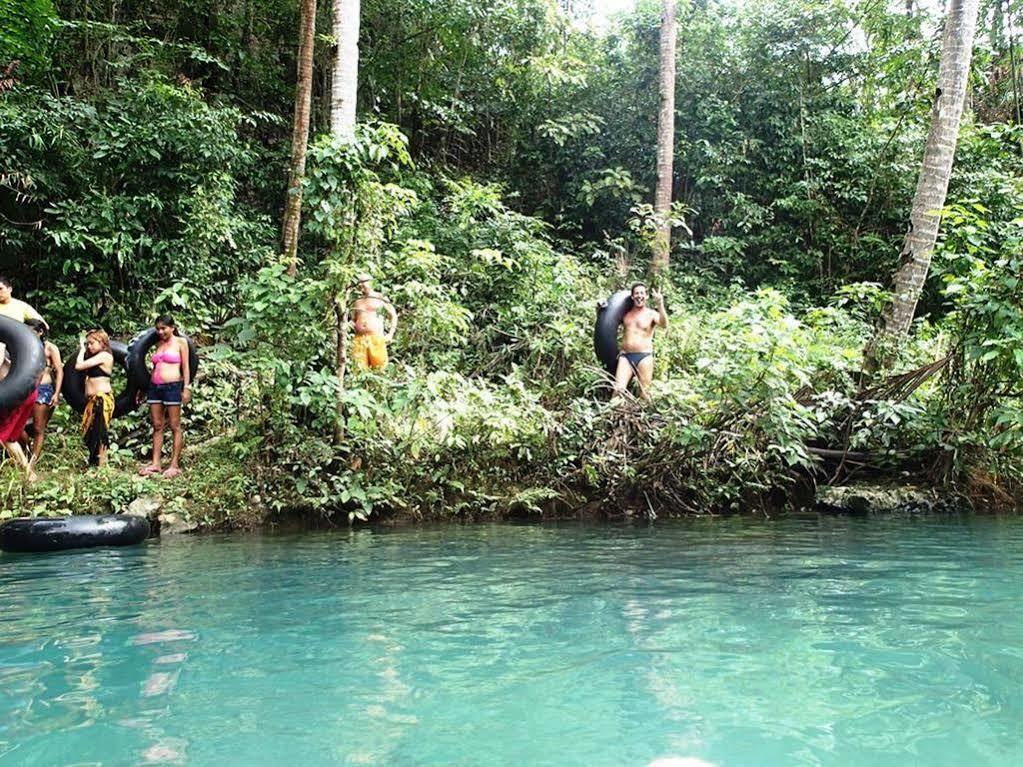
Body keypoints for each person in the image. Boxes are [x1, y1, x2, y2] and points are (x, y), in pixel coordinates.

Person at [138, 315, 191, 479]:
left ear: (172, 327)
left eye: (164, 328)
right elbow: (154, 367)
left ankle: (174, 464)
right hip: (155, 387)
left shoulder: (181, 343)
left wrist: (187, 388)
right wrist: (143, 388)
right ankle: (156, 463)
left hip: (172, 386)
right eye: (158, 329)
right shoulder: (158, 344)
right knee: (157, 425)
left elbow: (186, 367)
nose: (161, 332)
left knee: (175, 425)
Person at [612, 282, 668, 399]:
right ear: (632, 297)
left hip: (644, 357)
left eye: (642, 293)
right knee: (618, 390)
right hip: (626, 357)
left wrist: (660, 304)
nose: (639, 296)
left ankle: (644, 416)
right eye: (636, 293)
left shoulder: (651, 314)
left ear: (646, 296)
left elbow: (664, 324)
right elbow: (609, 323)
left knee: (645, 394)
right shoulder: (625, 314)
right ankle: (610, 416)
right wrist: (601, 310)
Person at [0, 328, 38, 482]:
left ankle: (28, 473)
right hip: (23, 393)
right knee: (10, 438)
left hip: (17, 395)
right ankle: (27, 472)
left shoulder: (1, 346)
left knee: (3, 436)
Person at [25, 319, 62, 468]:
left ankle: (31, 463)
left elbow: (59, 371)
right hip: (25, 390)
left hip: (43, 389)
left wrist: (57, 393)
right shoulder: (23, 346)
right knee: (18, 426)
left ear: (40, 332)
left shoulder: (49, 348)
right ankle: (26, 453)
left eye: (31, 331)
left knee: (38, 428)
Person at [75, 329, 114, 468]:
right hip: (92, 401)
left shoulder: (104, 356)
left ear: (102, 342)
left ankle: (103, 466)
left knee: (100, 432)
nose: (89, 346)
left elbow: (78, 366)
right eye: (87, 344)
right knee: (91, 433)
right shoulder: (94, 357)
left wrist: (81, 350)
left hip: (101, 399)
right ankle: (94, 463)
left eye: (91, 343)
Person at [351, 274, 397, 370]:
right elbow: (354, 319)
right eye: (359, 283)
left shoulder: (380, 297)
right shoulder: (357, 301)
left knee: (379, 369)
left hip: (376, 338)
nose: (361, 285)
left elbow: (393, 315)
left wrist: (390, 334)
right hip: (359, 339)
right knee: (358, 370)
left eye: (364, 282)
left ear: (371, 282)